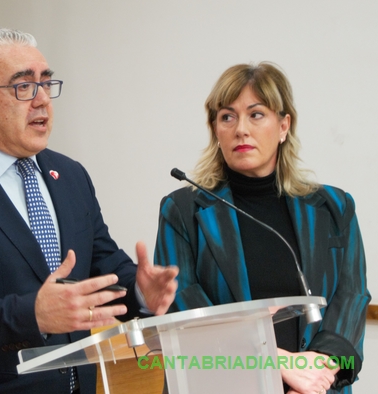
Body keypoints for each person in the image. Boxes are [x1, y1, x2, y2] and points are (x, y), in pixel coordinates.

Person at [0, 28, 178, 394]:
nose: (42, 100)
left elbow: (102, 266)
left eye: (46, 83)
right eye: (23, 87)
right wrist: (31, 316)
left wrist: (139, 290)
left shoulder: (70, 175)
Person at [154, 62, 369, 394]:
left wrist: (318, 374)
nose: (241, 129)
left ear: (284, 126)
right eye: (227, 116)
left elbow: (352, 297)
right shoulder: (184, 211)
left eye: (256, 114)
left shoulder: (334, 208)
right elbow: (187, 311)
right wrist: (274, 362)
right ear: (215, 129)